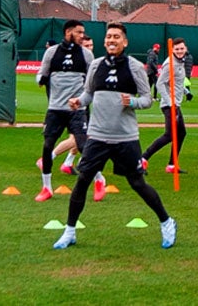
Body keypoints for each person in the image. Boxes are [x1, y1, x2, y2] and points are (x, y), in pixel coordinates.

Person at [54, 22, 176, 250]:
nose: (112, 40)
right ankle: (69, 231)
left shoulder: (134, 67)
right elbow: (89, 93)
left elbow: (147, 99)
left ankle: (167, 222)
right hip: (97, 136)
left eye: (116, 37)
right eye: (109, 36)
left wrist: (133, 102)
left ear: (125, 41)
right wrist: (79, 101)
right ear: (104, 41)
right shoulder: (96, 65)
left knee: (137, 183)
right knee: (82, 182)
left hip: (125, 138)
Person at [34, 20, 104, 202]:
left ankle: (99, 179)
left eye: (83, 32)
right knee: (47, 145)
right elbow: (41, 74)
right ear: (68, 32)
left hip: (77, 109)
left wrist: (84, 99)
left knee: (83, 146)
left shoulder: (86, 55)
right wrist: (41, 78)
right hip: (55, 109)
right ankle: (47, 188)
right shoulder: (52, 52)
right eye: (79, 32)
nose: (82, 35)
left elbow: (92, 81)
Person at [36, 37, 97, 176]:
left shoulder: (88, 61)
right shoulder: (73, 62)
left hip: (82, 104)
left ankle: (68, 163)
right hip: (71, 107)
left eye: (91, 45)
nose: (90, 47)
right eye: (87, 45)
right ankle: (48, 158)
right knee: (78, 138)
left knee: (83, 137)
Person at [142, 38, 189, 173]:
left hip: (176, 104)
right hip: (170, 105)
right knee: (170, 135)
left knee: (181, 133)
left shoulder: (180, 62)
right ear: (172, 50)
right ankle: (142, 159)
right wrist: (170, 103)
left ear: (185, 49)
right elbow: (160, 84)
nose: (180, 51)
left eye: (182, 48)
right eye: (177, 49)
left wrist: (186, 91)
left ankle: (172, 165)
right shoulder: (170, 64)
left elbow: (176, 82)